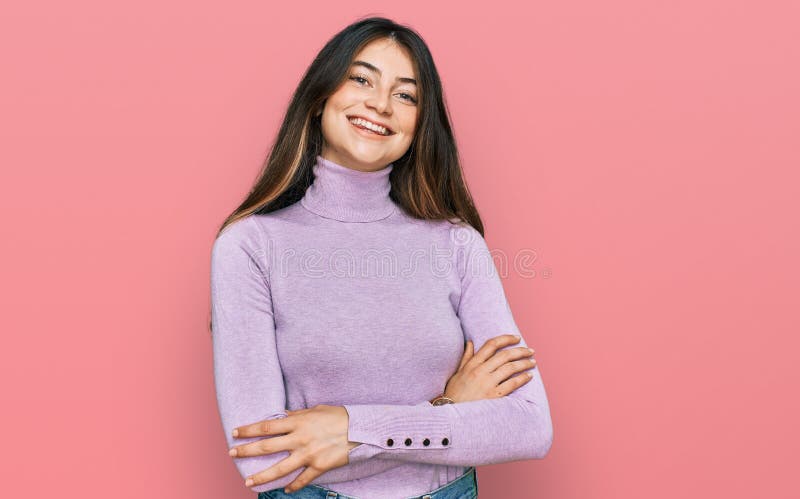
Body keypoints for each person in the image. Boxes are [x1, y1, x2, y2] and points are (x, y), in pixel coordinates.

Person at [209, 16, 554, 499]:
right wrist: (446, 412)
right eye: (361, 79)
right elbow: (266, 459)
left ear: (420, 125)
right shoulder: (249, 246)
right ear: (320, 96)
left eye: (406, 95)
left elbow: (528, 426)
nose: (380, 104)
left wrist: (350, 430)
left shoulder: (456, 244)